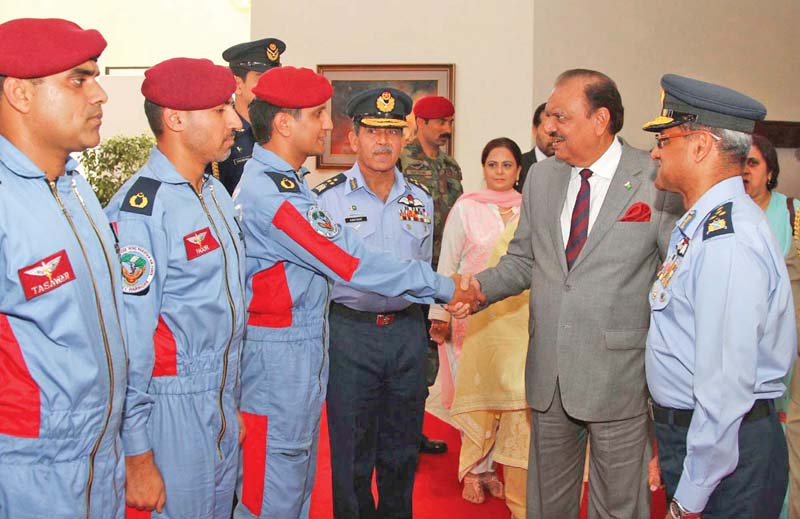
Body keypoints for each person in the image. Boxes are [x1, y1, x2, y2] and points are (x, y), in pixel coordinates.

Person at [232, 66, 482, 519]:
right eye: (318, 115)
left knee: (318, 465)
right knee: (284, 473)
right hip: (310, 343)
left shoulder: (286, 187)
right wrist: (447, 288)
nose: (328, 125)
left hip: (373, 335)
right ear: (286, 123)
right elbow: (352, 264)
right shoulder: (282, 196)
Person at [455, 68, 683, 518]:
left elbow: (672, 278)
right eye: (549, 116)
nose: (549, 126)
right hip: (549, 373)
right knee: (546, 505)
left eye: (561, 115)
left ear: (600, 120)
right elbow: (525, 259)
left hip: (620, 373)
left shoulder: (654, 178)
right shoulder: (542, 179)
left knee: (618, 505)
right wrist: (480, 287)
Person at [643, 73, 795, 519]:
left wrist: (693, 492)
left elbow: (725, 384)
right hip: (706, 442)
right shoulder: (702, 225)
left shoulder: (726, 238)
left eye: (664, 139)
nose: (654, 151)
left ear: (701, 145)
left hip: (728, 457)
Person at [105, 58, 246, 518]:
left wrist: (228, 403)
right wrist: (138, 453)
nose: (236, 121)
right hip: (170, 410)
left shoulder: (215, 193)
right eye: (221, 109)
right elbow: (130, 343)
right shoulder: (141, 209)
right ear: (176, 119)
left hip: (219, 397)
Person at [0, 18, 128, 518]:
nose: (99, 95)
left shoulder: (74, 188)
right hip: (28, 468)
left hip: (100, 454)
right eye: (78, 79)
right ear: (19, 94)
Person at [314, 87, 433, 519]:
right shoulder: (326, 199)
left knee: (402, 451)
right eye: (372, 131)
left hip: (405, 332)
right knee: (351, 454)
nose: (383, 141)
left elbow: (421, 272)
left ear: (405, 138)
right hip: (350, 333)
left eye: (392, 131)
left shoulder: (421, 199)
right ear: (353, 139)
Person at [429, 137, 529, 518]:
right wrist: (438, 312)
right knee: (473, 393)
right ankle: (473, 469)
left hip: (514, 320)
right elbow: (448, 259)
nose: (500, 172)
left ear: (519, 170)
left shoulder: (532, 209)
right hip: (467, 314)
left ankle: (493, 467)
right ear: (483, 168)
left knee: (506, 396)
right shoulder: (467, 207)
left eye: (507, 165)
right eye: (493, 164)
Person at [399, 94, 463, 455]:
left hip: (442, 277)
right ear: (420, 123)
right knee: (407, 356)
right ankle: (397, 436)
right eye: (440, 122)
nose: (446, 129)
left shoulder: (452, 167)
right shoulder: (400, 160)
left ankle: (413, 432)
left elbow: (460, 219)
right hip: (411, 274)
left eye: (449, 122)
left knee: (428, 359)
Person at [742, 134, 800, 519]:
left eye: (753, 163)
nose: (745, 171)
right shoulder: (727, 215)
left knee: (791, 432)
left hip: (790, 345)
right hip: (744, 346)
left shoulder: (795, 213)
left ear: (771, 171)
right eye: (740, 164)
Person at [207, 37, 286, 194]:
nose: (269, 85)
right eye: (260, 77)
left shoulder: (282, 130)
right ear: (237, 84)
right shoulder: (221, 135)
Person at [518, 102, 555, 191]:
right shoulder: (519, 164)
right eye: (549, 132)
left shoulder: (571, 166)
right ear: (535, 130)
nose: (554, 138)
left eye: (557, 132)